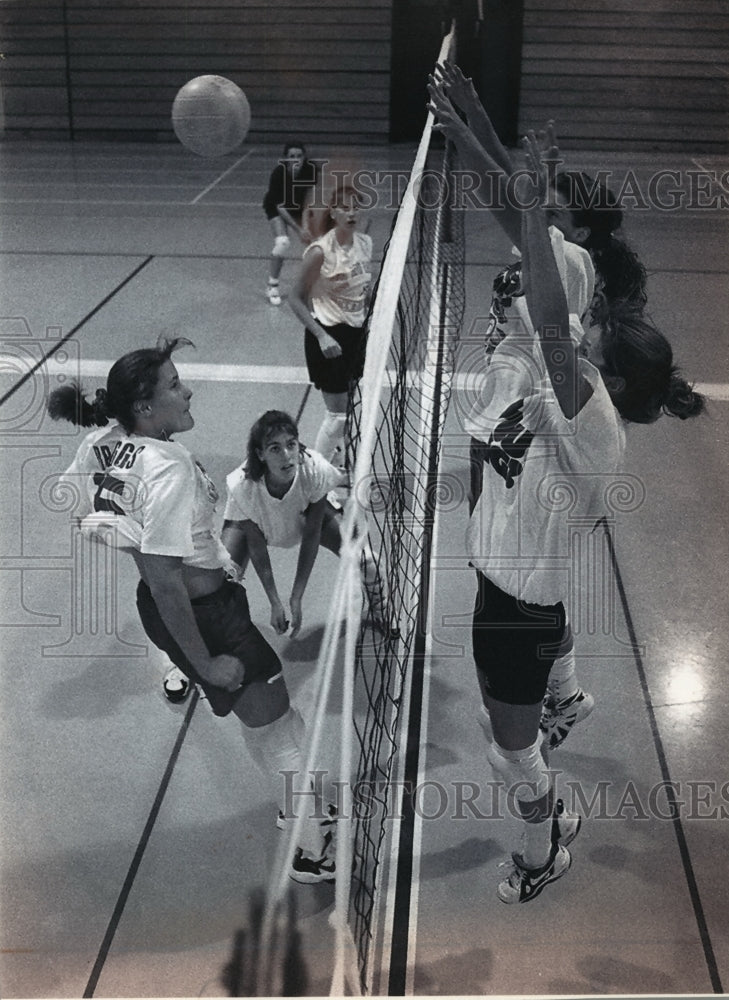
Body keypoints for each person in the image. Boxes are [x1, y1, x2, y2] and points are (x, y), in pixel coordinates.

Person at [428, 85, 704, 902]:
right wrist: (473, 129)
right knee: (506, 732)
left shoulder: (589, 414)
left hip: (516, 607)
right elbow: (542, 312)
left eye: (594, 338)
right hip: (509, 587)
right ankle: (559, 707)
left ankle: (543, 840)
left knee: (504, 751)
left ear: (607, 374)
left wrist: (511, 170)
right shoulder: (575, 393)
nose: (585, 329)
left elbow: (552, 324)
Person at [47, 338, 336, 884]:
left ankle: (301, 811)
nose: (188, 391)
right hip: (204, 613)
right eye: (175, 385)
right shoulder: (169, 468)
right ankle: (314, 851)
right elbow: (165, 581)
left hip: (183, 604)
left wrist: (128, 533)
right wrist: (203, 664)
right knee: (280, 728)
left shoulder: (103, 443)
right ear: (145, 409)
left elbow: (73, 505)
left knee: (269, 721)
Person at [221, 409, 396, 639]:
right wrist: (275, 602)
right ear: (260, 454)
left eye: (291, 444)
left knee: (365, 561)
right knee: (221, 579)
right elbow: (257, 547)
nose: (286, 455)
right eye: (275, 448)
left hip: (304, 516)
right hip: (262, 523)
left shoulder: (314, 469)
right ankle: (224, 632)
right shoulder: (242, 486)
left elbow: (311, 534)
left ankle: (381, 608)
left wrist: (296, 596)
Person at [288, 180, 373, 475]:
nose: (351, 213)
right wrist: (322, 336)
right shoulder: (319, 252)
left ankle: (334, 459)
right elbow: (295, 299)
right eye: (344, 207)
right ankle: (314, 475)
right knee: (337, 417)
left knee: (348, 413)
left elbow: (363, 288)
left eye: (356, 207)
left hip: (355, 335)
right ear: (333, 213)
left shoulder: (365, 243)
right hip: (328, 337)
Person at [262, 141, 318, 306]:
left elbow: (309, 199)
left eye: (299, 156)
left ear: (304, 157)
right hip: (277, 208)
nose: (296, 160)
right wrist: (298, 229)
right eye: (292, 156)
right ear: (286, 159)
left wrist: (306, 227)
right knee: (282, 242)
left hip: (300, 207)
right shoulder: (278, 174)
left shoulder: (311, 170)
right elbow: (280, 207)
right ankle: (272, 286)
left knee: (316, 243)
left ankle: (313, 286)